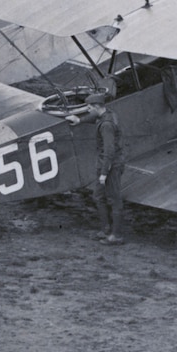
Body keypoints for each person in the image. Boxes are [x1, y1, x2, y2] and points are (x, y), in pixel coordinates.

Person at [68, 88, 127, 244]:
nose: (88, 110)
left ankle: (116, 235)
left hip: (111, 165)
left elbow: (110, 150)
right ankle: (105, 229)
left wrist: (104, 173)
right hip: (105, 164)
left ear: (96, 106)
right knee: (98, 196)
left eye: (89, 107)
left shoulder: (107, 125)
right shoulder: (107, 114)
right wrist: (80, 120)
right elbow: (94, 118)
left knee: (114, 199)